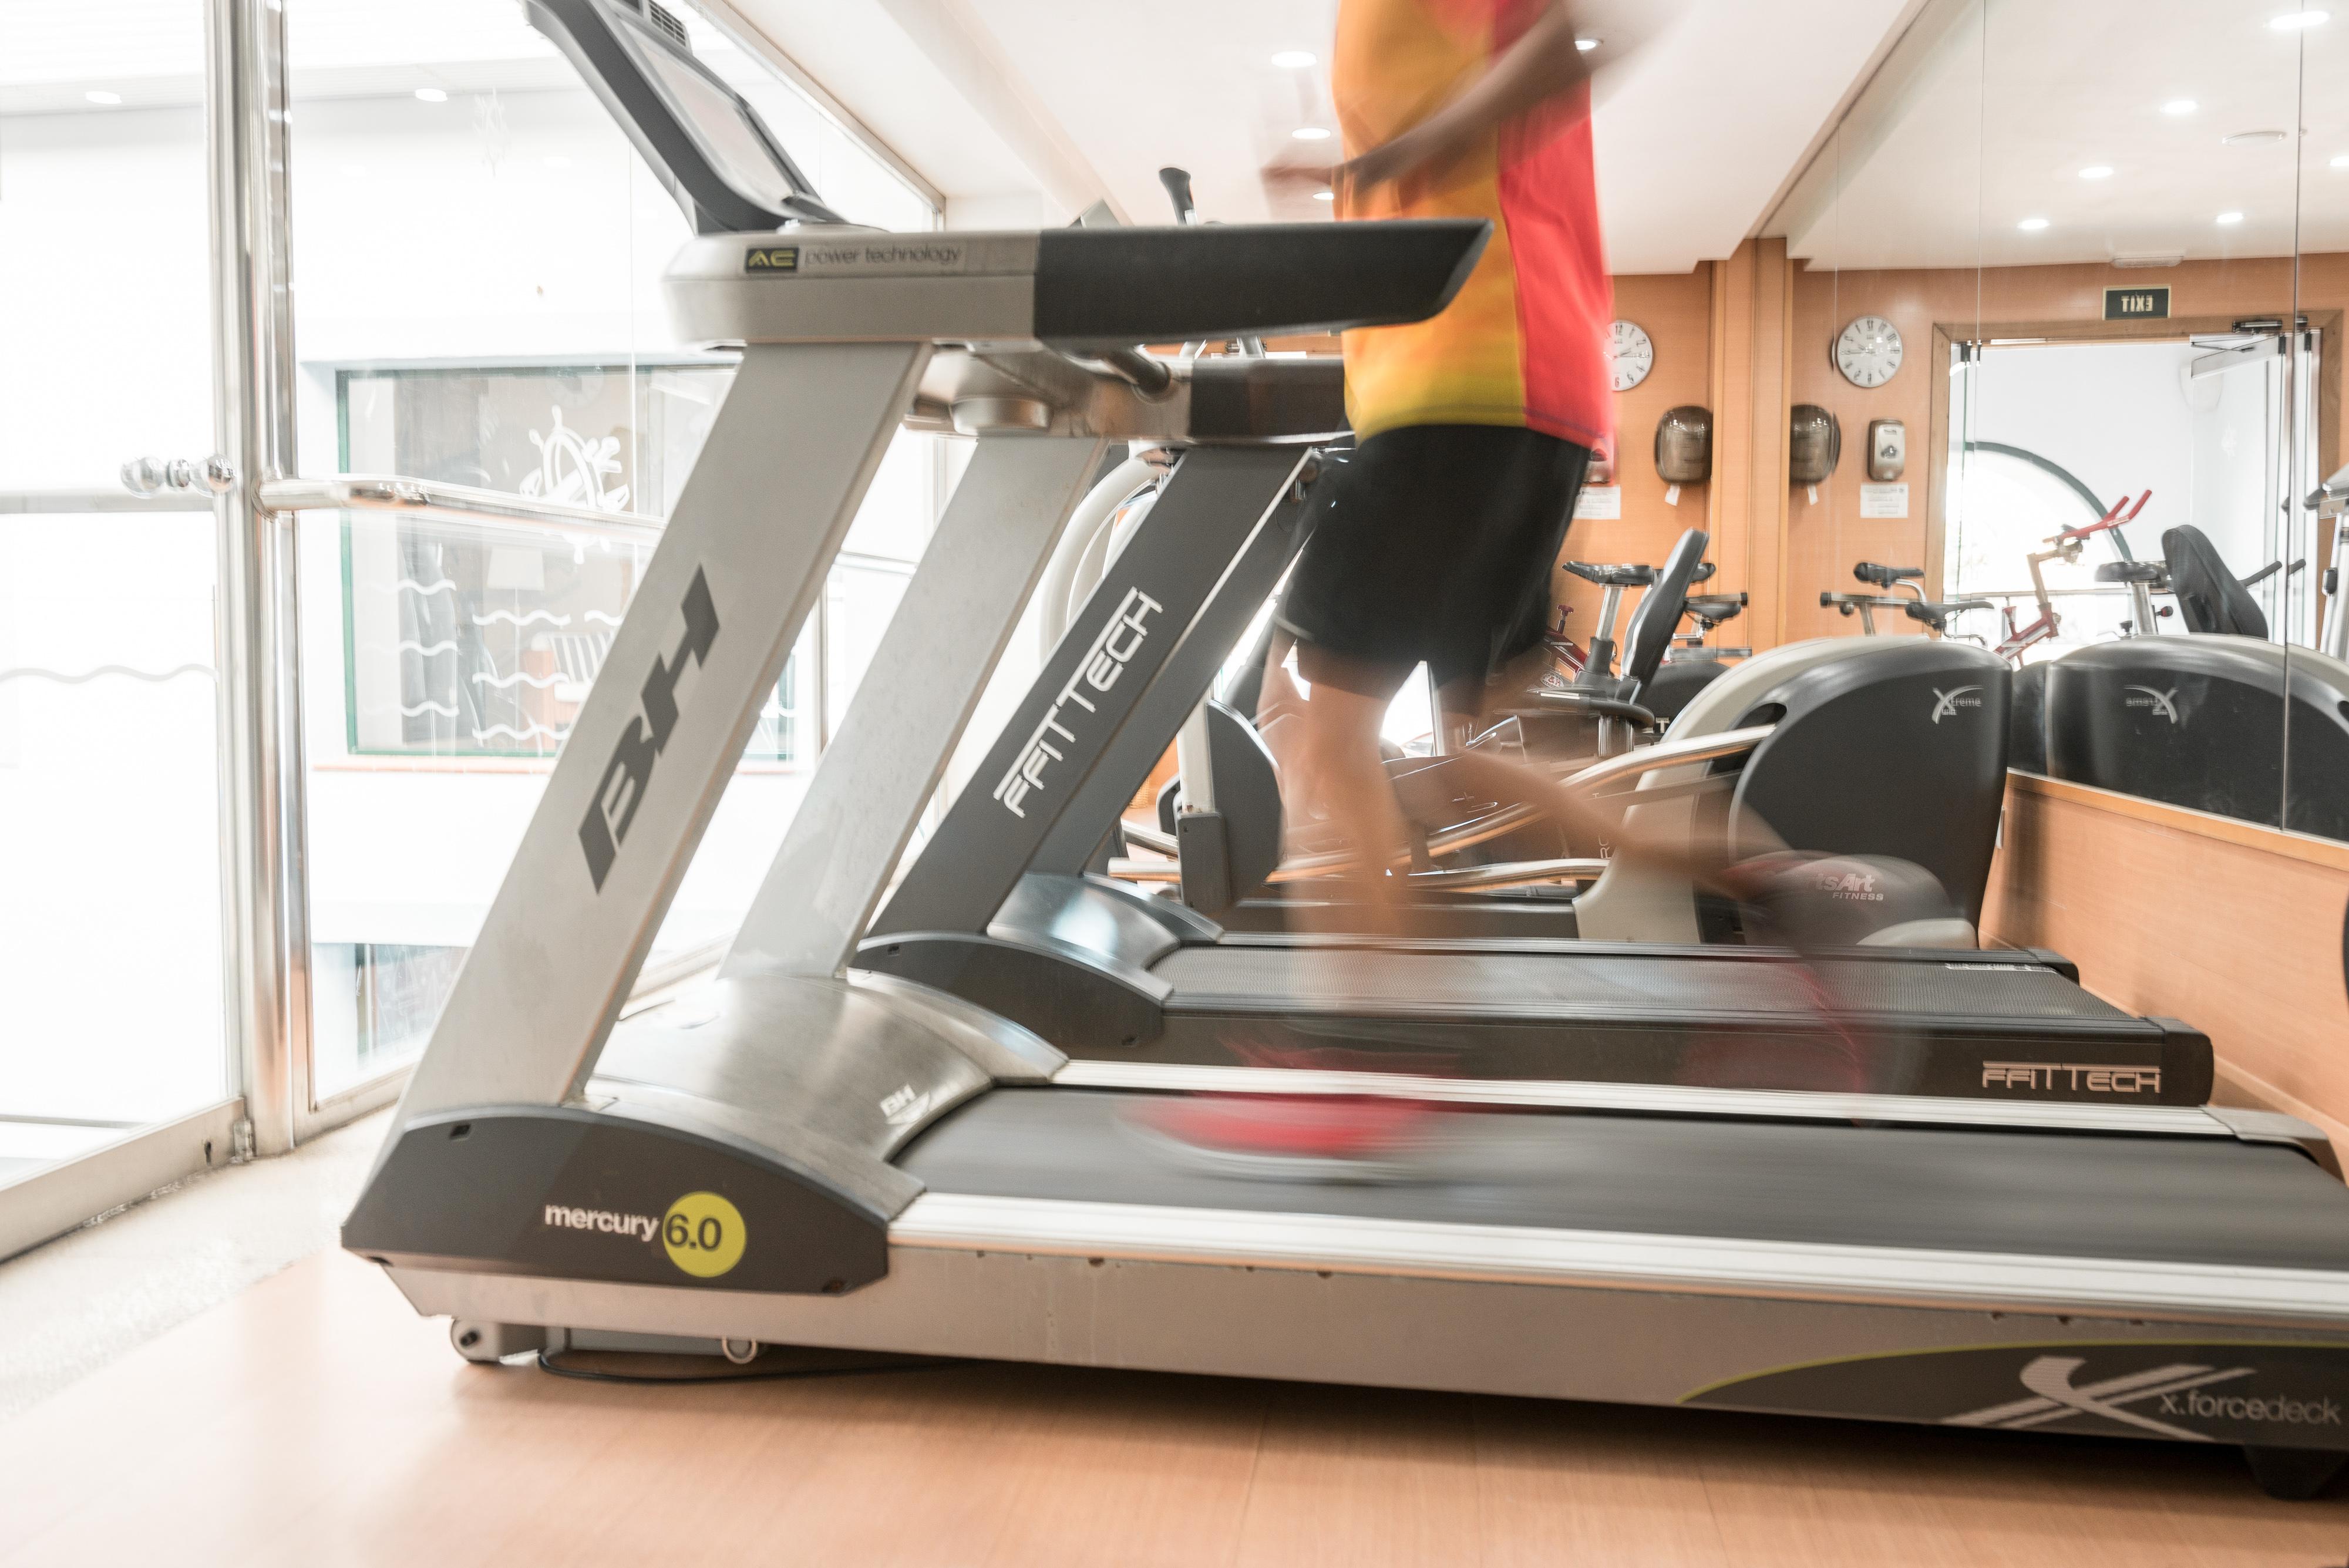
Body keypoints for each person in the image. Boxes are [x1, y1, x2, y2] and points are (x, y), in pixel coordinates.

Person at [1266, 0, 1630, 927]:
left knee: (1316, 729)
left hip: (1463, 379)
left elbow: (1562, 47)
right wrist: (1367, 174)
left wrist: (1393, 158)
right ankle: (1748, 876)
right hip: (1506, 390)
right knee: (1458, 756)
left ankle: (1373, 1026)